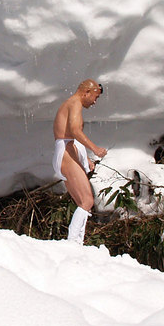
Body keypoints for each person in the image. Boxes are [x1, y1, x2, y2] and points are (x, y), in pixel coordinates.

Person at [52, 79, 108, 244]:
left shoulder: (70, 103)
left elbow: (69, 135)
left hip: (65, 152)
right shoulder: (75, 103)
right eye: (95, 97)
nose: (95, 102)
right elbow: (75, 131)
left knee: (83, 203)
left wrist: (85, 157)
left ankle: (76, 241)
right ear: (86, 93)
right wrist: (95, 148)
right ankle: (73, 243)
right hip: (66, 154)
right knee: (87, 201)